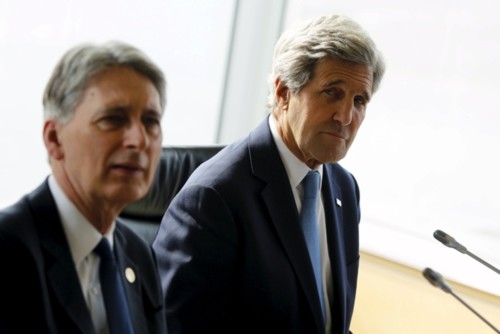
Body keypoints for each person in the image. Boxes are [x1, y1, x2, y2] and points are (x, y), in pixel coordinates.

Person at [153, 14, 385, 334]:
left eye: (360, 100)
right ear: (283, 92)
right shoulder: (213, 198)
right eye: (332, 92)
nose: (345, 116)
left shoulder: (344, 188)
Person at [0, 41, 167, 333]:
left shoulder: (140, 256)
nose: (138, 140)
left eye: (150, 121)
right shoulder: (8, 250)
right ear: (54, 139)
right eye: (113, 119)